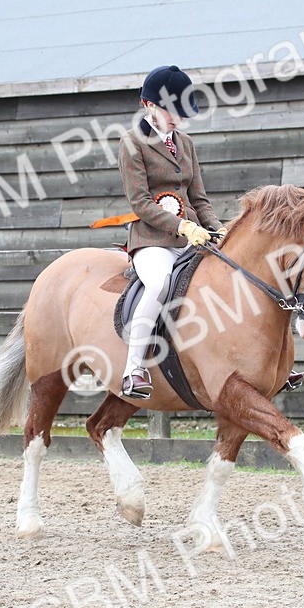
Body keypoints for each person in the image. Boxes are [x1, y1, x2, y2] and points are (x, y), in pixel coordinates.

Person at [115, 65, 224, 399]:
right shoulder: (132, 143)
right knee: (161, 282)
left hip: (193, 237)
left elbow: (199, 199)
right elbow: (140, 203)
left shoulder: (186, 143)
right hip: (152, 240)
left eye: (181, 112)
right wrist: (181, 225)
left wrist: (219, 230)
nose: (177, 119)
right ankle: (134, 369)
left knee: (231, 273)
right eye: (171, 111)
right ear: (149, 105)